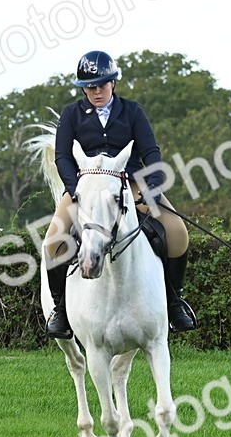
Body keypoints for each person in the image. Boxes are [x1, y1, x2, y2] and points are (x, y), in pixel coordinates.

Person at [43, 50, 196, 338]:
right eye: (90, 86)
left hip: (132, 182)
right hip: (85, 186)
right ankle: (62, 310)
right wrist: (75, 190)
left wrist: (151, 189)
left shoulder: (132, 111)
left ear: (113, 83)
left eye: (101, 85)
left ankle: (175, 304)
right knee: (52, 242)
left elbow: (152, 154)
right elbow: (62, 156)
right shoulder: (72, 114)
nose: (96, 91)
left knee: (177, 232)